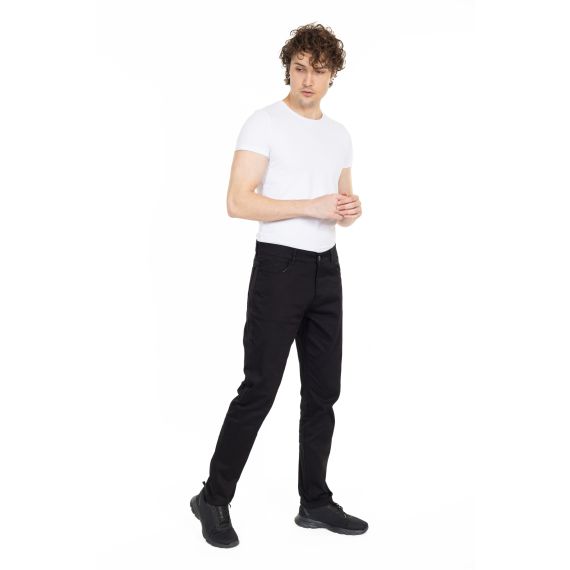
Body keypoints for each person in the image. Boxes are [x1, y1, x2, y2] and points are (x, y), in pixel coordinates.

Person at [190, 23, 366, 548]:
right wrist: (310, 206)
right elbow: (238, 201)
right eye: (299, 68)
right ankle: (212, 498)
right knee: (260, 388)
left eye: (319, 70)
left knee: (323, 393)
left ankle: (314, 502)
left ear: (333, 75)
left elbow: (340, 203)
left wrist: (348, 210)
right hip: (279, 269)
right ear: (288, 69)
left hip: (326, 269)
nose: (308, 79)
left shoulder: (339, 135)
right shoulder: (263, 123)